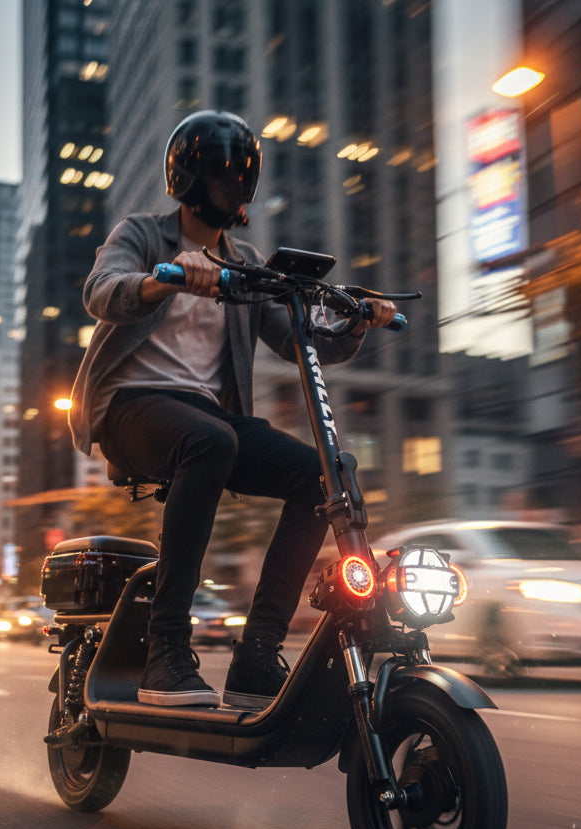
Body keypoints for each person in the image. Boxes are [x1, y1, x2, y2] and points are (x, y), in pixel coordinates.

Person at [68, 109, 396, 708]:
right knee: (211, 443)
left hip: (204, 417)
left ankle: (257, 653)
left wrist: (357, 321)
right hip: (130, 408)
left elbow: (299, 340)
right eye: (225, 176)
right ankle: (166, 650)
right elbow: (101, 293)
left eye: (244, 177)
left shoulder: (244, 260)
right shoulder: (142, 235)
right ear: (190, 179)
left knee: (326, 473)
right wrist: (166, 279)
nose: (238, 187)